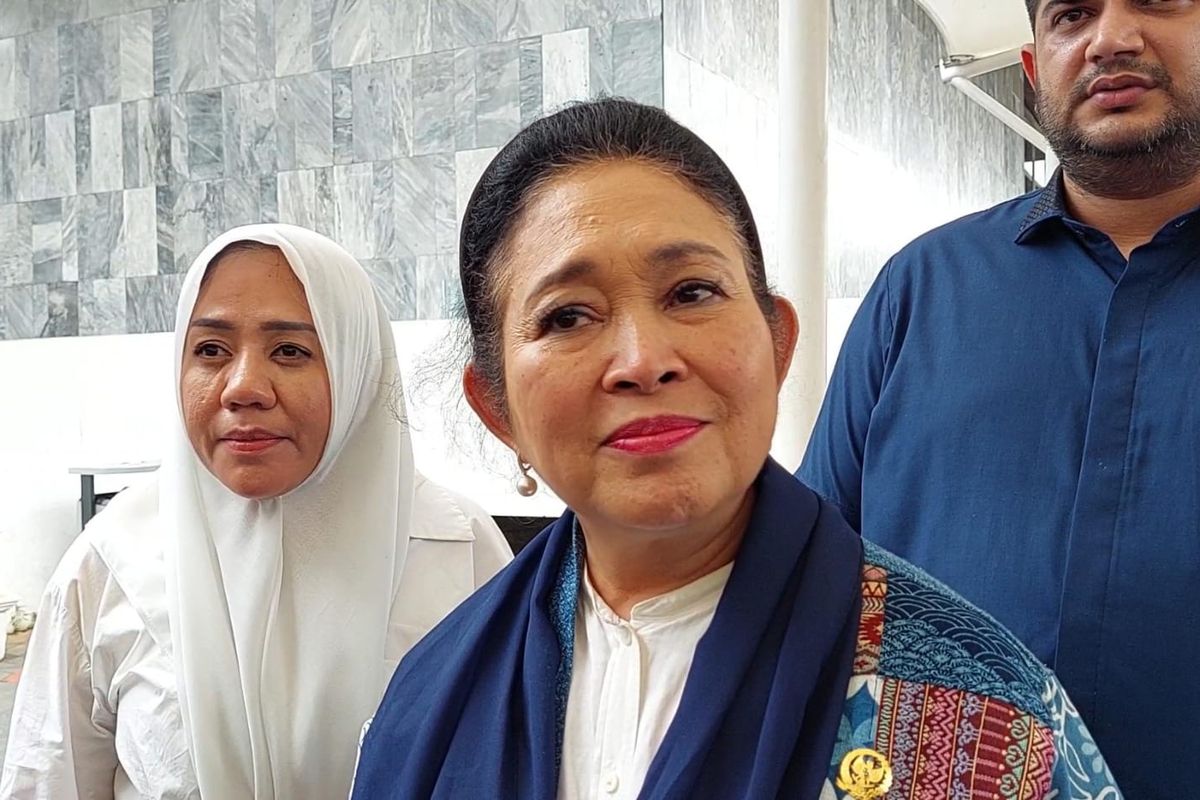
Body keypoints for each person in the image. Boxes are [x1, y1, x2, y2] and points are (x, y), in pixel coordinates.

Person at [350, 99, 1120, 800]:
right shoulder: (429, 700)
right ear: (497, 409)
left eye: (691, 293)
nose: (643, 360)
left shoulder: (990, 717)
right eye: (567, 317)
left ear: (777, 345)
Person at [799, 1, 1200, 796]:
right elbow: (812, 577)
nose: (1110, 39)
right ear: (1032, 70)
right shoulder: (920, 289)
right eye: (1072, 15)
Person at [0, 224, 512, 799]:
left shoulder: (461, 550)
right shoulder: (111, 564)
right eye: (210, 350)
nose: (243, 388)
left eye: (290, 351)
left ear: (357, 367)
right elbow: (48, 781)